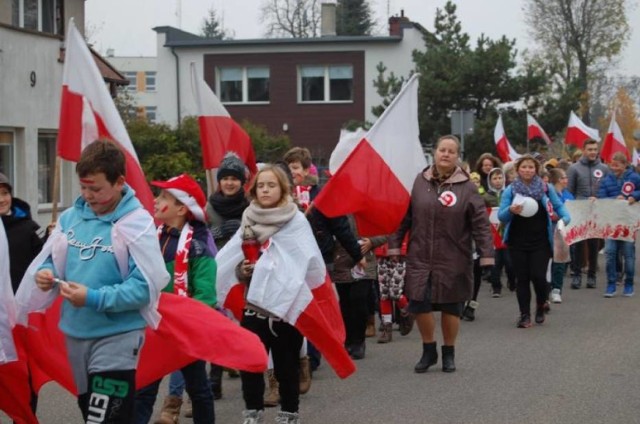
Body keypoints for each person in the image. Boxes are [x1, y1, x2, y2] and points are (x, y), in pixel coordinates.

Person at [32, 139, 169, 423]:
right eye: (83, 187)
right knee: (92, 414)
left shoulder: (136, 222)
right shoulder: (71, 218)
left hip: (119, 336)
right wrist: (45, 273)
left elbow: (145, 286)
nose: (87, 195)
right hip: (75, 334)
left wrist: (93, 297)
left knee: (106, 419)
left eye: (95, 189)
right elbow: (52, 258)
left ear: (119, 182)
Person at [389, 135, 494, 373]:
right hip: (420, 256)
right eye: (442, 150)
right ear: (435, 153)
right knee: (420, 304)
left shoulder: (467, 187)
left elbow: (480, 224)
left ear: (458, 157)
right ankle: (429, 350)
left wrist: (487, 254)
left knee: (450, 307)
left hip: (453, 257)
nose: (445, 154)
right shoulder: (419, 181)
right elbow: (404, 217)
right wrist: (395, 244)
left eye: (451, 151)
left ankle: (449, 352)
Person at [226, 165, 319, 424]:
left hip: (286, 307)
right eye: (261, 185)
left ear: (282, 189)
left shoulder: (296, 221)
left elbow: (306, 262)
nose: (265, 189)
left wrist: (272, 268)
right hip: (255, 305)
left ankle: (289, 413)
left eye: (271, 185)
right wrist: (243, 269)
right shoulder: (248, 218)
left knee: (285, 364)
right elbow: (236, 259)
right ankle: (253, 412)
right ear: (254, 190)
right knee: (250, 362)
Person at [135, 173, 216, 424]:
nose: (156, 201)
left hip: (185, 329)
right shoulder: (150, 236)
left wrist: (186, 320)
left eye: (163, 197)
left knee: (199, 390)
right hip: (155, 325)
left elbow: (206, 293)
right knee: (144, 388)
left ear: (182, 208)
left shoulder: (199, 245)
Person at [283, 147, 364, 373]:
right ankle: (297, 353)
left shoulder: (322, 194)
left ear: (307, 168)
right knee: (296, 306)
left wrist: (356, 254)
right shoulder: (284, 194)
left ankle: (312, 356)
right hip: (291, 259)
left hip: (319, 257)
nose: (292, 173)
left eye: (296, 168)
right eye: (289, 169)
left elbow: (340, 226)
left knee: (316, 305)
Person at [498, 155, 570, 328]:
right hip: (517, 241)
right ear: (518, 169)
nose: (527, 170)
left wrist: (565, 219)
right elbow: (501, 215)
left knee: (538, 276)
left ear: (536, 170)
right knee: (522, 279)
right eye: (524, 167)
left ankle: (540, 305)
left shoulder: (545, 188)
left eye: (531, 167)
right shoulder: (511, 190)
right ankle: (524, 316)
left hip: (541, 241)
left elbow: (559, 207)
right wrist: (511, 210)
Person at [206, 152, 250, 401]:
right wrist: (216, 231)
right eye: (225, 178)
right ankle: (214, 380)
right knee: (217, 327)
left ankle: (250, 378)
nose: (230, 183)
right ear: (219, 181)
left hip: (243, 275)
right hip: (216, 274)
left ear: (242, 182)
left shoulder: (250, 207)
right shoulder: (209, 207)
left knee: (244, 326)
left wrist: (244, 234)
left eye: (235, 178)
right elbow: (199, 238)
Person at [0, 172, 44, 414]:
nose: (2, 199)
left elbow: (44, 262)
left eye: (5, 193)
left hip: (18, 318)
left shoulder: (27, 228)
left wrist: (51, 237)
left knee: (23, 377)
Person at [330, 216, 387, 359]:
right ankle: (348, 339)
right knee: (345, 302)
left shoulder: (370, 208)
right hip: (341, 259)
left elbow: (389, 230)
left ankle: (358, 341)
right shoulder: (336, 208)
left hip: (365, 259)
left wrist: (373, 241)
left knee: (359, 299)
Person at [596, 152, 640, 298]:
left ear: (625, 164)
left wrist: (634, 196)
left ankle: (628, 284)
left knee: (628, 255)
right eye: (612, 164)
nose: (614, 167)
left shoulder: (634, 178)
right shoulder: (606, 179)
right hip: (611, 223)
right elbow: (601, 197)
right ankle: (611, 284)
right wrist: (617, 198)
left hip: (628, 222)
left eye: (617, 165)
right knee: (609, 253)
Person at [566, 140, 609, 289]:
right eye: (590, 149)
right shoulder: (574, 168)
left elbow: (607, 189)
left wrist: (599, 198)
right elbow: (569, 192)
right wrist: (581, 201)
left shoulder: (604, 168)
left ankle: (592, 275)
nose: (592, 152)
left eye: (595, 149)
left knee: (594, 244)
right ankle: (577, 275)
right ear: (583, 150)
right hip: (579, 210)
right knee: (578, 244)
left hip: (596, 212)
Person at [548, 168, 574, 304]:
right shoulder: (549, 193)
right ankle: (547, 288)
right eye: (564, 177)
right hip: (549, 230)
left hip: (562, 231)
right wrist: (554, 216)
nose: (566, 180)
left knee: (559, 260)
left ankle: (556, 289)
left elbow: (573, 210)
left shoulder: (567, 194)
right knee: (548, 260)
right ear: (558, 179)